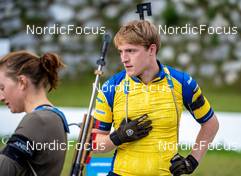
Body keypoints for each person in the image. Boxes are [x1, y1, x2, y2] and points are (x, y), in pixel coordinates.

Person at [92, 20, 219, 176]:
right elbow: (93, 144)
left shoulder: (182, 82)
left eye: (131, 51)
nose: (124, 58)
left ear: (151, 49)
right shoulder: (110, 87)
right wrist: (118, 136)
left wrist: (192, 161)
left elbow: (211, 124)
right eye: (121, 51)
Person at [0, 51, 69, 175]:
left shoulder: (38, 120)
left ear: (22, 82)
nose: (1, 97)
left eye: (2, 88)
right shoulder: (52, 117)